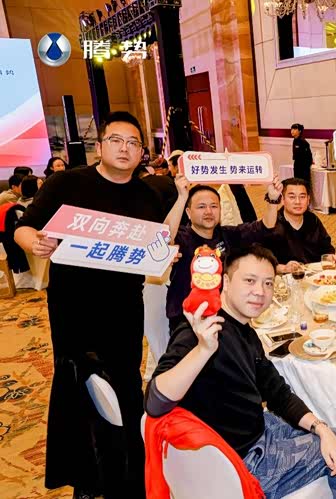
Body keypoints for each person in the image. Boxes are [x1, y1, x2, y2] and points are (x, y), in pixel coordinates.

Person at [14, 111, 166, 499]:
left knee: (126, 387)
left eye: (133, 143)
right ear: (99, 146)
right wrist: (35, 243)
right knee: (80, 390)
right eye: (116, 140)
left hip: (124, 308)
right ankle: (86, 480)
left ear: (142, 152)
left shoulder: (148, 195)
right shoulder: (67, 183)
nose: (125, 148)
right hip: (73, 308)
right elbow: (23, 227)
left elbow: (156, 246)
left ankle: (129, 477)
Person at [146, 245, 336, 498]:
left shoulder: (245, 333)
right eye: (249, 281)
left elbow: (278, 394)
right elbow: (154, 403)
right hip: (238, 463)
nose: (260, 292)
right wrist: (203, 350)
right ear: (226, 282)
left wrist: (320, 429)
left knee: (333, 436)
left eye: (268, 283)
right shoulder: (201, 330)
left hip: (256, 431)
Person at [163, 174, 282, 332]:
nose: (208, 211)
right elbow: (163, 239)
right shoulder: (182, 238)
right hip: (189, 321)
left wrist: (273, 199)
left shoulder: (227, 234)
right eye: (201, 207)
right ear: (189, 212)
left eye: (214, 206)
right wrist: (182, 197)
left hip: (225, 317)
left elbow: (266, 226)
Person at [265, 178, 335, 266]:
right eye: (292, 197)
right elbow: (264, 260)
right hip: (286, 273)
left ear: (308, 199)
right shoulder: (273, 223)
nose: (298, 202)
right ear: (282, 199)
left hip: (314, 271)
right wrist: (281, 268)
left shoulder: (312, 219)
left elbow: (326, 247)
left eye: (302, 197)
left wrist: (329, 256)